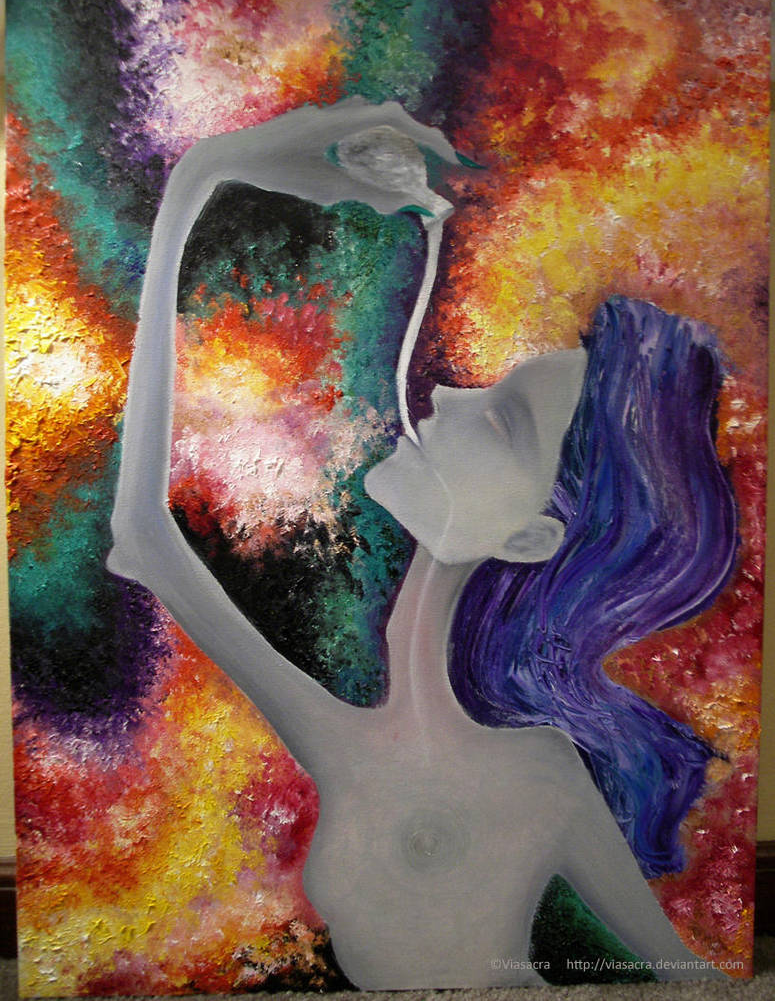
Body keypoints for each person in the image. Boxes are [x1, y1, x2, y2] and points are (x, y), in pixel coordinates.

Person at [109, 100, 732, 987]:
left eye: (503, 420)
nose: (446, 397)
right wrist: (200, 178)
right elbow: (139, 531)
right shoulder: (346, 740)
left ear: (529, 536)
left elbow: (690, 977)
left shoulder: (538, 775)